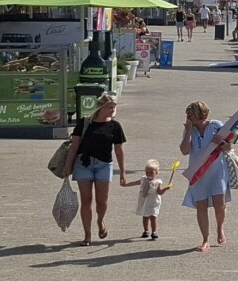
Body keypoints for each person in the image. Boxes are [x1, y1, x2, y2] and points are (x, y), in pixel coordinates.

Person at [70, 94, 129, 246]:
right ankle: (87, 235)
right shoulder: (85, 123)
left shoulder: (115, 126)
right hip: (83, 163)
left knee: (101, 201)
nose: (113, 110)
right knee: (86, 200)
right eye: (110, 107)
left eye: (114, 108)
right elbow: (74, 146)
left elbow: (119, 150)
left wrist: (122, 171)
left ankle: (100, 220)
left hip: (104, 165)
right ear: (101, 107)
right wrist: (67, 166)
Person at [180, 101, 235, 252]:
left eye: (190, 115)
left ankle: (220, 228)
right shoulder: (190, 130)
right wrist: (188, 132)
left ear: (199, 115)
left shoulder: (216, 125)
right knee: (201, 206)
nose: (188, 118)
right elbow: (184, 151)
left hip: (217, 170)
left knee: (220, 204)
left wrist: (222, 143)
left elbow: (230, 146)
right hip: (198, 173)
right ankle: (205, 240)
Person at [122, 158, 173, 240]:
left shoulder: (157, 182)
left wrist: (165, 189)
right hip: (144, 201)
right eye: (147, 172)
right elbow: (134, 183)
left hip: (153, 202)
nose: (148, 174)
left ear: (156, 172)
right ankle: (146, 230)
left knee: (153, 216)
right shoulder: (143, 179)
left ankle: (154, 232)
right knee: (145, 216)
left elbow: (159, 192)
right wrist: (126, 185)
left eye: (151, 172)